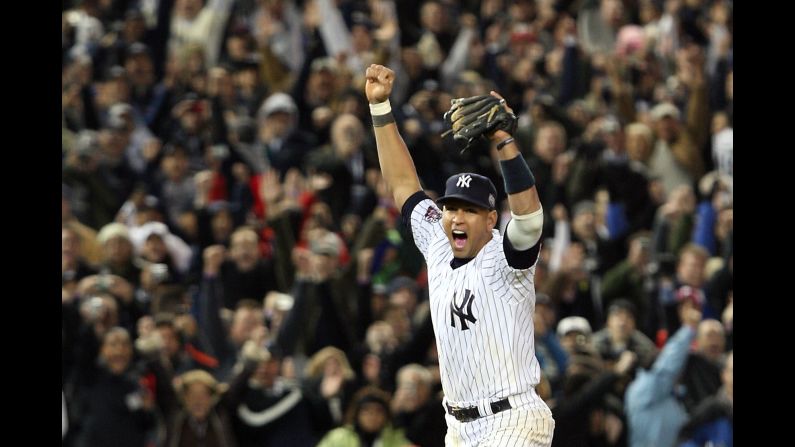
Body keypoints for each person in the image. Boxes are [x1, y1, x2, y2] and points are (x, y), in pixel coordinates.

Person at [365, 63, 554, 446]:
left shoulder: (505, 256)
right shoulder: (437, 239)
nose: (456, 217)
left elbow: (530, 219)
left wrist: (504, 142)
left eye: (469, 210)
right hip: (459, 426)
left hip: (513, 419)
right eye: (452, 208)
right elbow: (403, 184)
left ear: (490, 220)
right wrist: (381, 109)